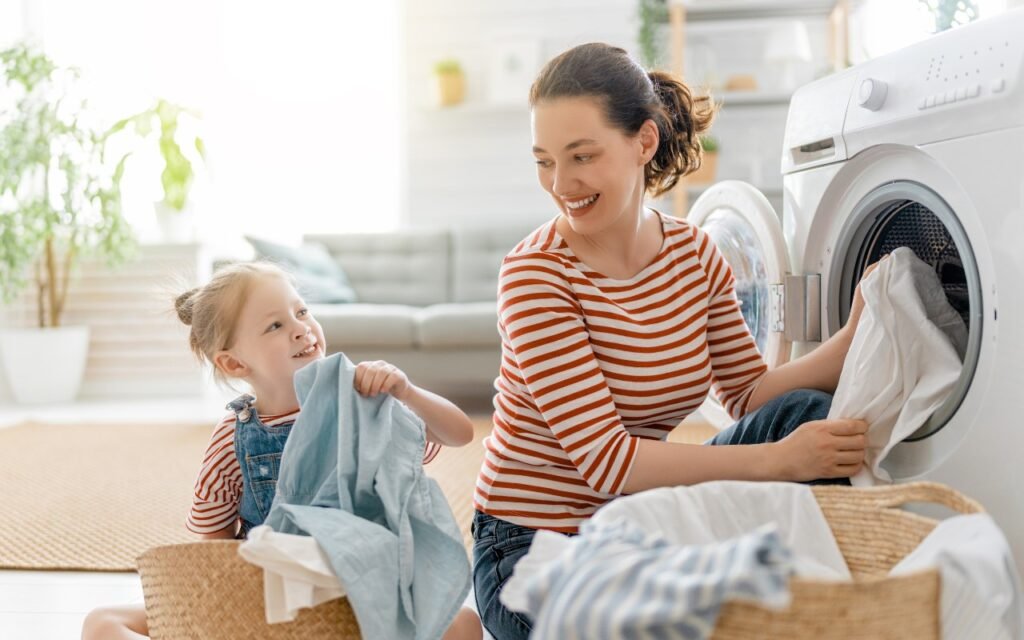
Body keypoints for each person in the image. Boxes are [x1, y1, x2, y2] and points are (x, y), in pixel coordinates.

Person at [471, 42, 874, 640]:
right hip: (531, 547)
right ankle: (469, 620)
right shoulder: (535, 275)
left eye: (581, 156)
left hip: (644, 520)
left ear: (644, 142)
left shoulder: (693, 253)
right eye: (544, 161)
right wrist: (777, 462)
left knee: (805, 417)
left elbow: (747, 392)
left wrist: (856, 334)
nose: (561, 183)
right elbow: (608, 462)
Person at [82, 262, 482, 640]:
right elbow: (213, 545)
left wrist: (406, 392)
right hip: (265, 594)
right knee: (103, 622)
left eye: (302, 311)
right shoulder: (231, 438)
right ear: (234, 363)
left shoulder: (363, 402)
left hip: (359, 589)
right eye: (275, 325)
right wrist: (219, 610)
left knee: (463, 623)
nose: (300, 328)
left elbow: (459, 433)